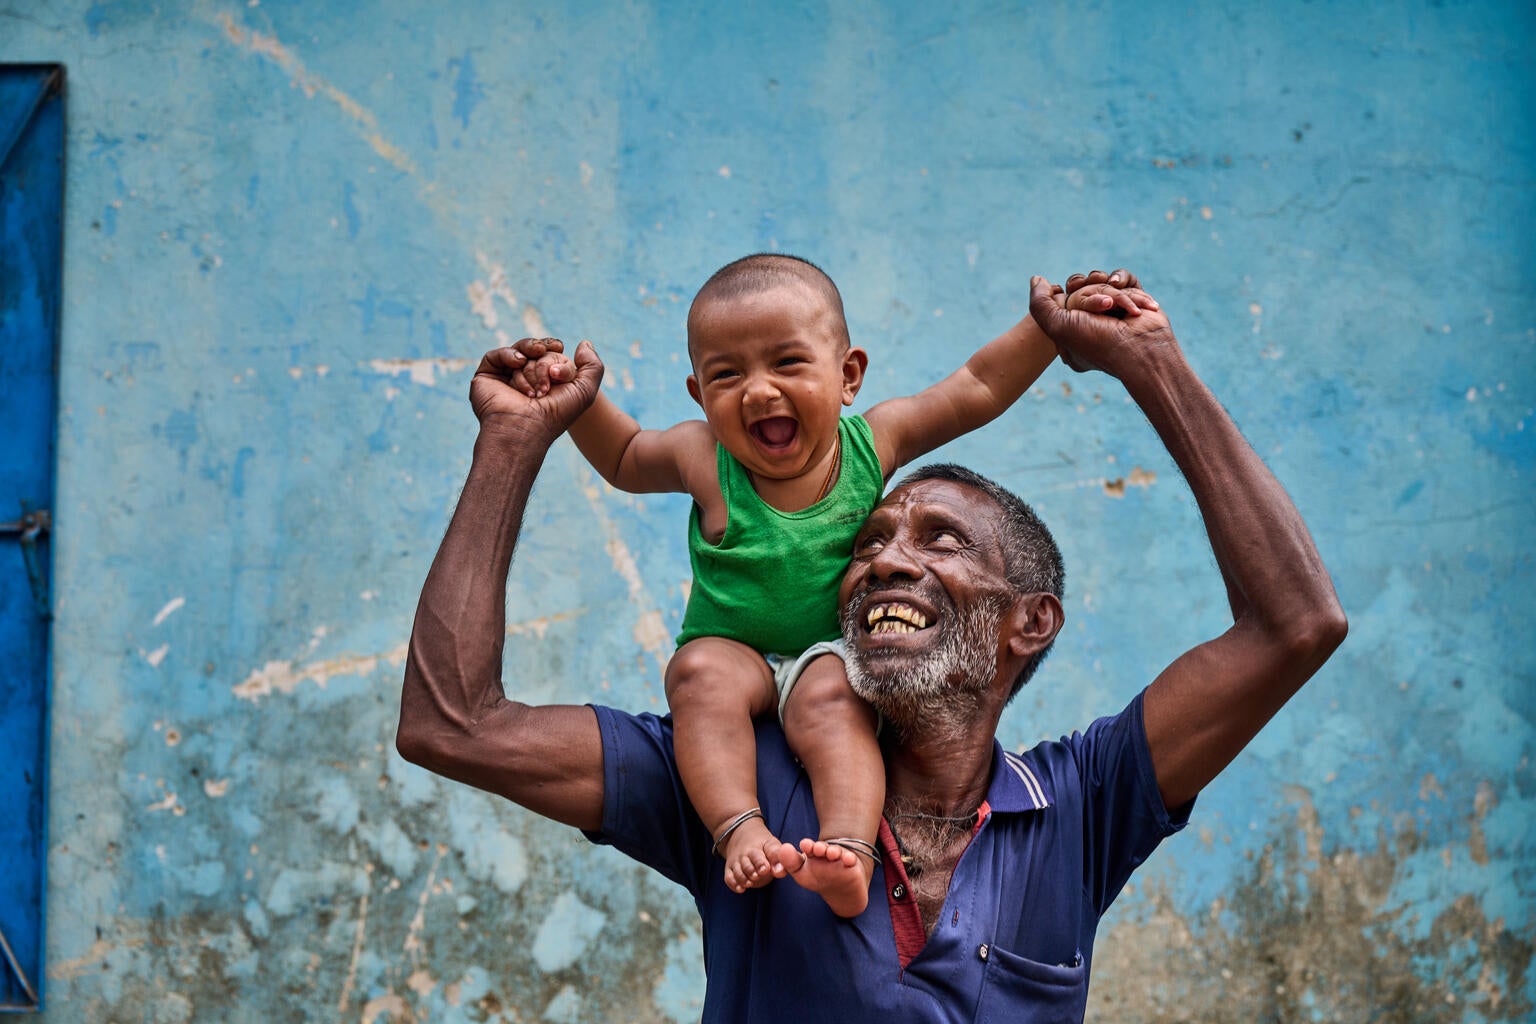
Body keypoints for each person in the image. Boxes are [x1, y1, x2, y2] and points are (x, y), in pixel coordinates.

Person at [396, 269, 1347, 1022]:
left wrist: (1151, 362)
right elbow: (453, 724)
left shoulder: (1082, 807)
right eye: (865, 543)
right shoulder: (731, 779)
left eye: (940, 539)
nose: (883, 561)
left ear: (1030, 620)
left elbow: (1295, 626)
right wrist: (513, 446)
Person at [497, 254, 1156, 917]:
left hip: (829, 653)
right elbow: (623, 455)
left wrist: (1047, 330)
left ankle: (847, 853)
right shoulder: (702, 457)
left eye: (787, 363)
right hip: (734, 650)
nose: (757, 391)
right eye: (727, 375)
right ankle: (738, 830)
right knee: (697, 676)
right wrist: (575, 403)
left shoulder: (875, 442)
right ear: (699, 395)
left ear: (848, 376)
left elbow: (976, 386)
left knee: (834, 702)